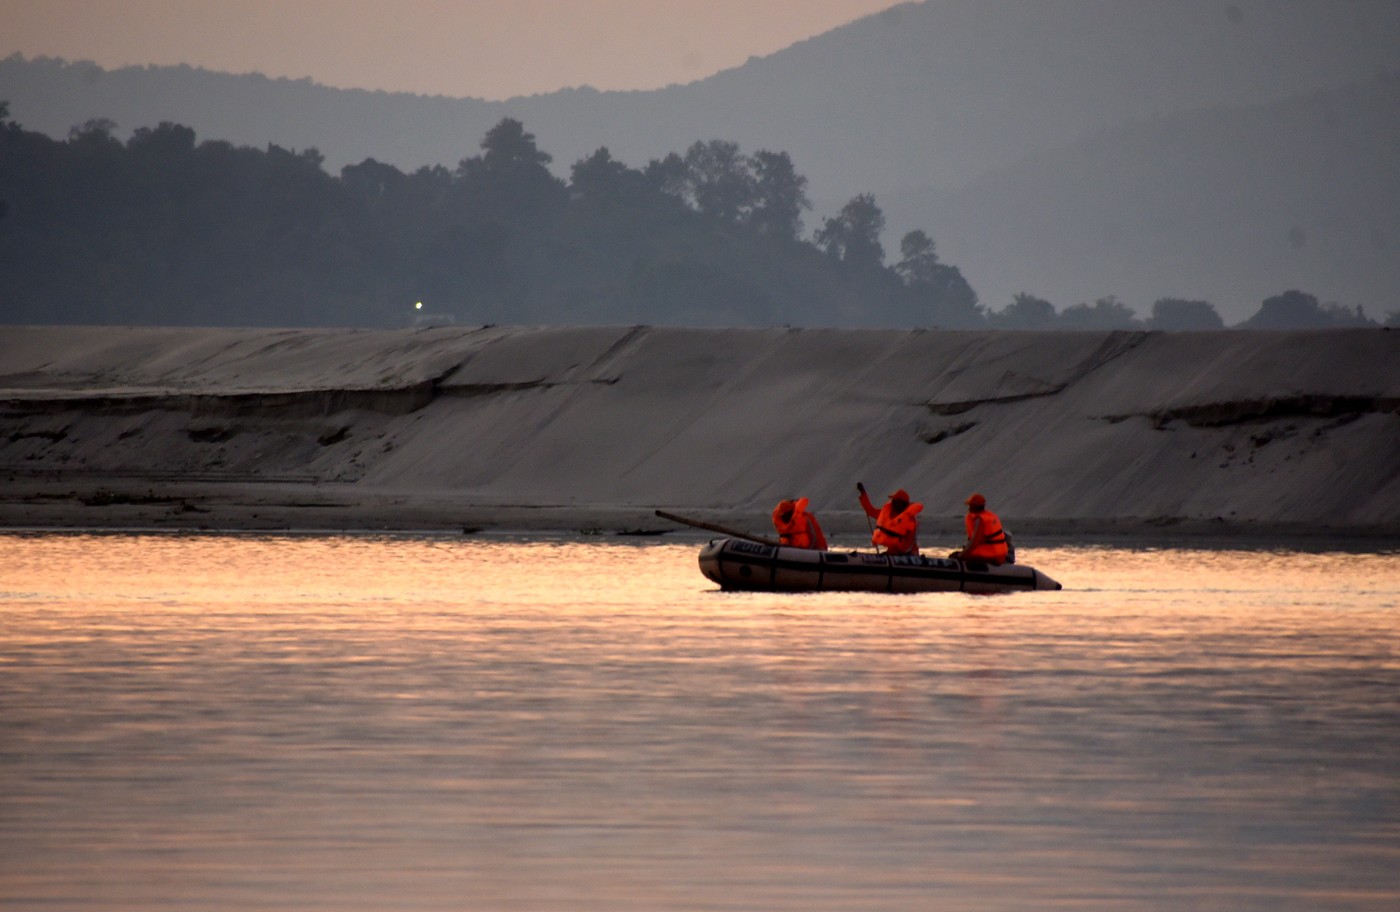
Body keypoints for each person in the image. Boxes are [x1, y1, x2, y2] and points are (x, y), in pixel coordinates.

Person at [856, 482, 923, 555]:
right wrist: (863, 493)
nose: (892, 503)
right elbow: (870, 511)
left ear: (902, 503)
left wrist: (902, 554)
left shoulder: (910, 519)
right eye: (893, 501)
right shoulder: (888, 515)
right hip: (892, 552)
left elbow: (910, 540)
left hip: (908, 553)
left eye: (895, 502)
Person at [951, 493, 1009, 564]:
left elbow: (974, 542)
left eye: (970, 505)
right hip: (1000, 554)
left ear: (974, 507)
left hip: (991, 555)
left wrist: (961, 556)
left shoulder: (980, 520)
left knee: (953, 555)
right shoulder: (990, 516)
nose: (969, 508)